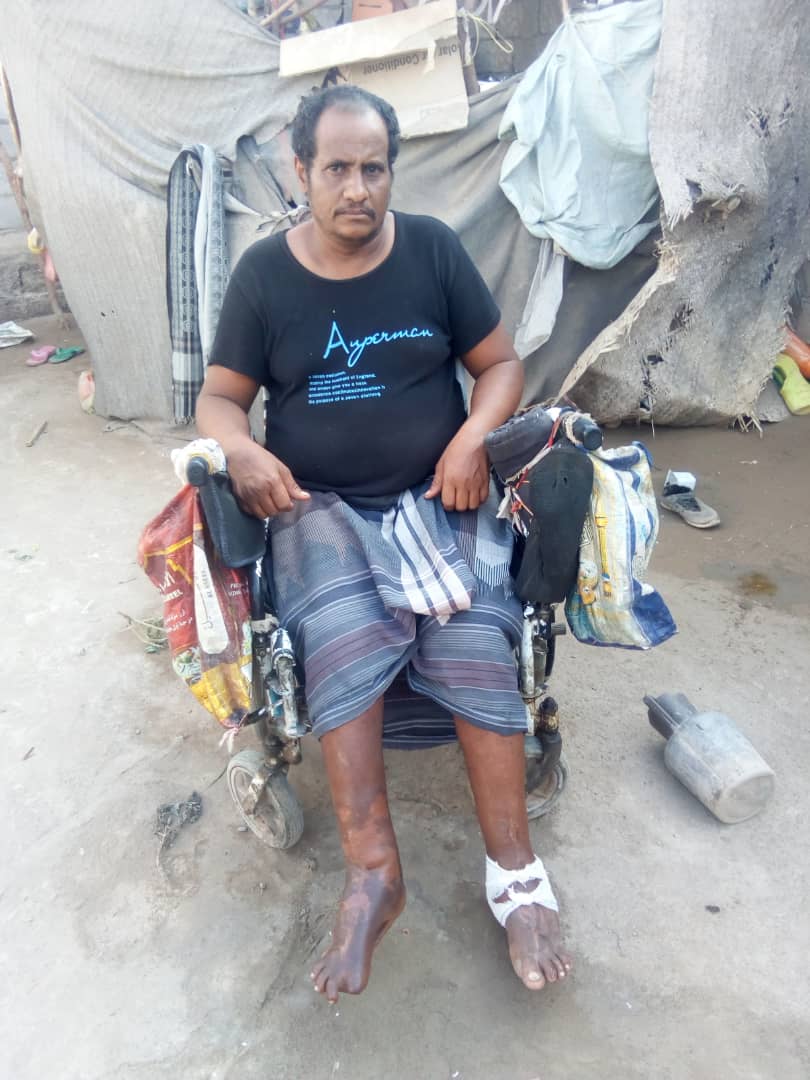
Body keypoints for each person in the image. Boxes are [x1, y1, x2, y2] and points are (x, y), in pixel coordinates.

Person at [197, 85, 571, 1003]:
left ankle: (516, 874)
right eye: (337, 168)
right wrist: (241, 450)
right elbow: (219, 399)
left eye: (373, 168)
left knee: (475, 626)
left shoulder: (434, 251)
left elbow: (500, 365)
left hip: (438, 494)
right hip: (317, 506)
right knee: (336, 629)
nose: (357, 187)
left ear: (392, 171)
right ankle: (374, 872)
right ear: (303, 171)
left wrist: (473, 435)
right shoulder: (264, 277)